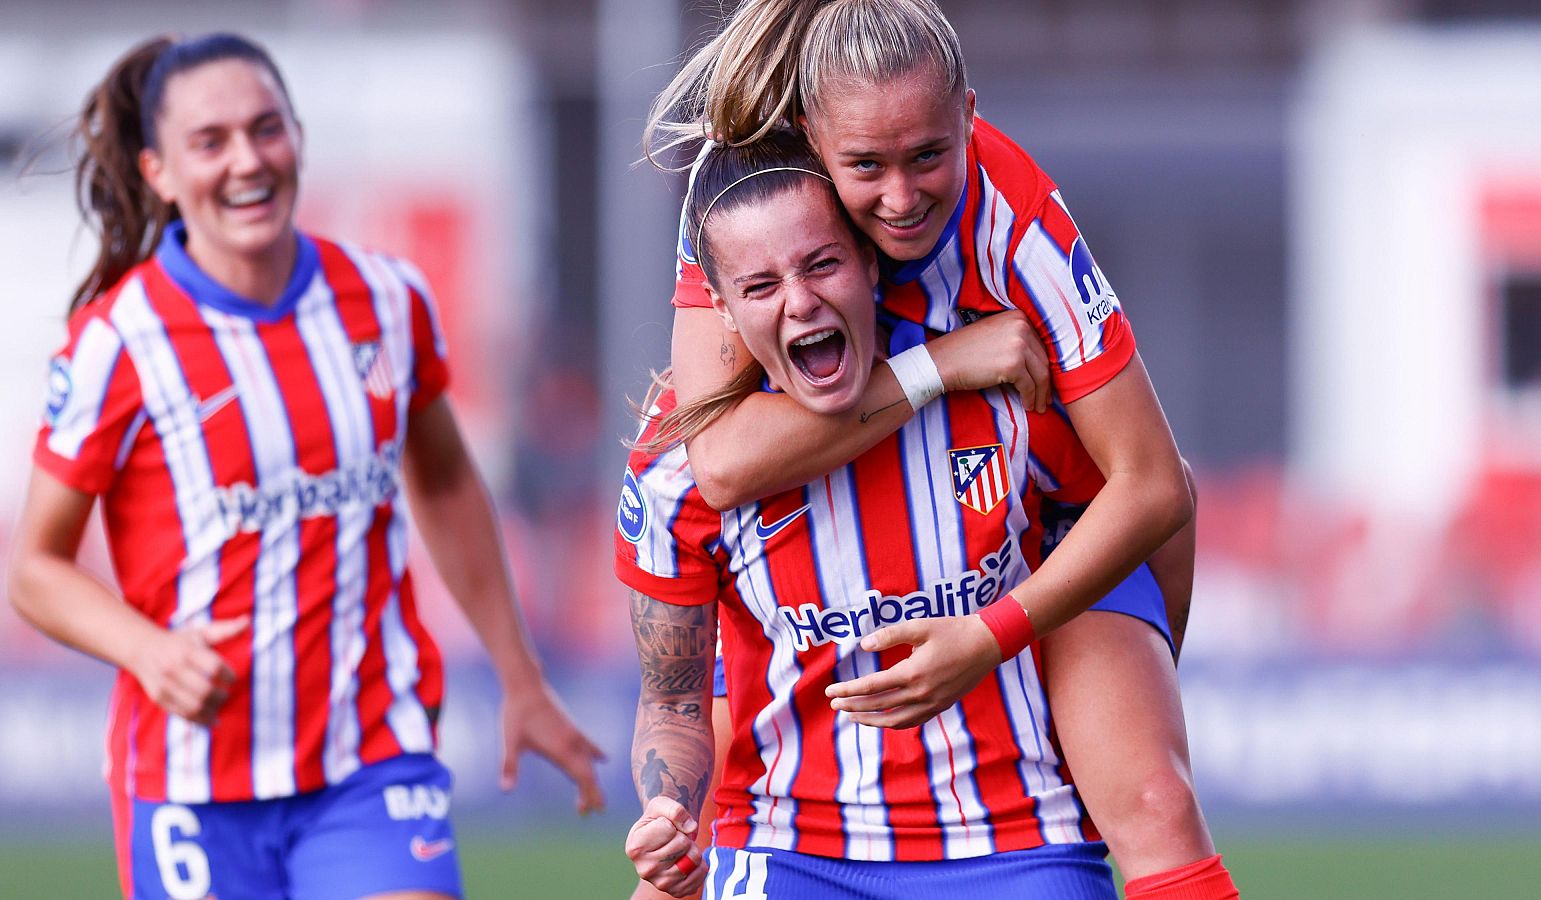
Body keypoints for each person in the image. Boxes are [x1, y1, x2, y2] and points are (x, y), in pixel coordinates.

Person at [640, 3, 1236, 897]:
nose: (902, 197)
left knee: (1150, 797)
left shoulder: (1016, 222)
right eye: (865, 167)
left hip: (1041, 521)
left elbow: (1156, 488)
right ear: (812, 139)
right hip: (807, 590)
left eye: (928, 156)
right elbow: (718, 464)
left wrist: (1006, 639)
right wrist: (945, 364)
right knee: (676, 862)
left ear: (968, 116)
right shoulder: (742, 204)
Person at [7, 33, 603, 900]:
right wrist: (148, 650)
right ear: (160, 172)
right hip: (192, 785)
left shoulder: (388, 300)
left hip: (368, 758)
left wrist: (521, 676)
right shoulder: (116, 344)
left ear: (298, 138)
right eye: (210, 143)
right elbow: (34, 569)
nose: (246, 160)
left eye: (266, 129)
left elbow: (442, 480)